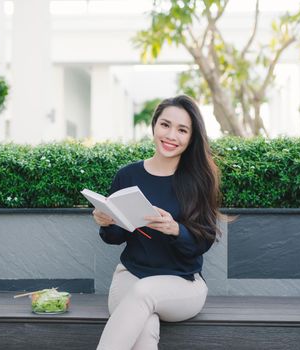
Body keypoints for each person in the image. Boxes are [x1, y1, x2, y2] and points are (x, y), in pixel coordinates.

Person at [93, 95, 222, 350]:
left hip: (183, 284)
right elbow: (116, 237)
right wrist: (107, 221)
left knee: (143, 293)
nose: (171, 135)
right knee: (145, 326)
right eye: (165, 125)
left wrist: (176, 229)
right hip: (130, 276)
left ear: (191, 137)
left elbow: (204, 241)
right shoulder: (128, 175)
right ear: (154, 126)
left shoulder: (199, 180)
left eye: (182, 130)